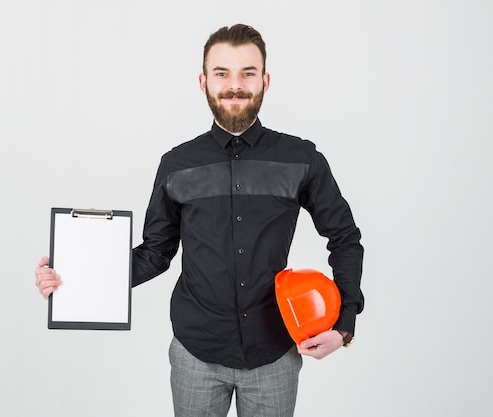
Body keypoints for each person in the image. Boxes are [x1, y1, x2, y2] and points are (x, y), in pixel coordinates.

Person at [35, 24, 364, 417]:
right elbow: (155, 253)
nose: (235, 85)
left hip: (274, 353)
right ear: (203, 81)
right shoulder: (176, 166)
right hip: (195, 356)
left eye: (248, 73)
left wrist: (343, 326)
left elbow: (344, 237)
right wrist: (72, 275)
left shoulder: (301, 159)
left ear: (266, 80)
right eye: (222, 73)